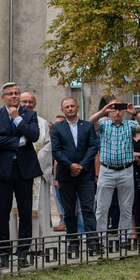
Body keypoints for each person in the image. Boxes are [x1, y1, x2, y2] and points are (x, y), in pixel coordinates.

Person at [0, 82, 41, 267]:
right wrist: (18, 141)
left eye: (16, 93)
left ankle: (23, 253)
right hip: (3, 170)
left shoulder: (30, 115)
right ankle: (4, 253)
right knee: (2, 213)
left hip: (24, 169)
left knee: (25, 213)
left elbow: (33, 136)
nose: (14, 96)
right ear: (3, 97)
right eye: (10, 94)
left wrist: (18, 119)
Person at [89, 100, 140, 243]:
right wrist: (104, 110)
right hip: (107, 170)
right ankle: (101, 240)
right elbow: (90, 122)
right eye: (114, 109)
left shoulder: (129, 125)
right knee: (102, 208)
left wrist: (134, 112)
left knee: (126, 208)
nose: (117, 112)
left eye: (120, 109)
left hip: (126, 170)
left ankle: (123, 239)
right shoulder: (103, 125)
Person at [50, 97, 100, 254]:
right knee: (69, 211)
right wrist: (70, 165)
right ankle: (73, 243)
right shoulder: (57, 128)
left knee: (88, 209)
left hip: (85, 175)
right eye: (67, 106)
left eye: (72, 106)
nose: (70, 108)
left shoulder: (88, 126)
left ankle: (93, 242)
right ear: (62, 110)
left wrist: (81, 166)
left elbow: (93, 147)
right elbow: (56, 150)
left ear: (77, 107)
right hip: (66, 175)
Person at [19, 92, 53, 244]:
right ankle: (18, 244)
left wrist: (32, 165)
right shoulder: (12, 119)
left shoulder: (43, 123)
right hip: (18, 173)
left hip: (38, 173)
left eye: (31, 102)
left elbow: (47, 147)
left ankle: (39, 244)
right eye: (24, 101)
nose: (27, 105)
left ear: (35, 104)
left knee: (40, 210)